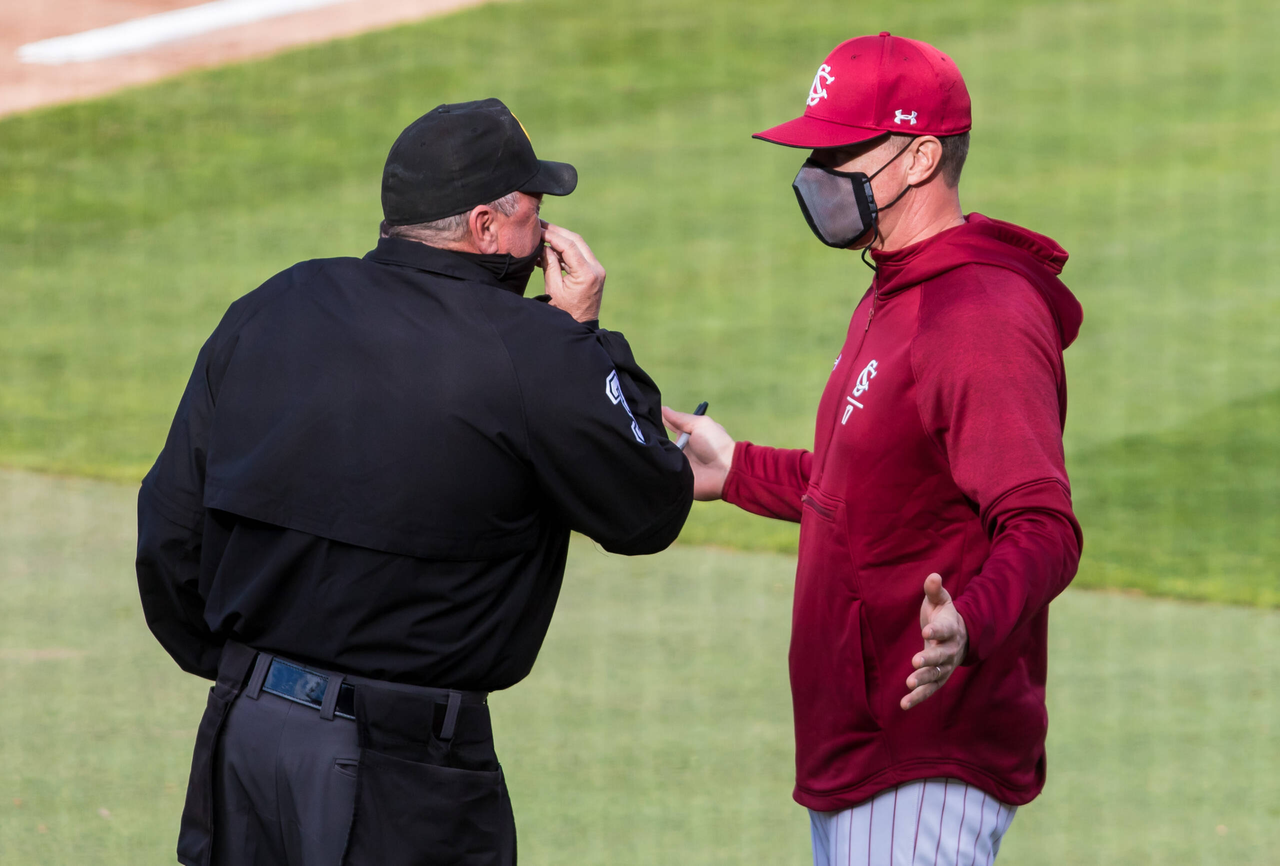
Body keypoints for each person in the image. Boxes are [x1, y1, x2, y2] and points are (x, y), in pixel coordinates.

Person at [136, 97, 693, 866]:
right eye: (535, 212)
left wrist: (256, 677)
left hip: (245, 741)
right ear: (486, 227)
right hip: (400, 773)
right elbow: (648, 510)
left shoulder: (273, 304)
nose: (545, 238)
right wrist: (581, 338)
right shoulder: (535, 350)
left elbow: (168, 532)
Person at [664, 33, 1084, 865]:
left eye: (844, 148)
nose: (820, 169)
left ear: (922, 155)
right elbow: (877, 487)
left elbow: (1044, 524)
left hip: (921, 747)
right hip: (862, 748)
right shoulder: (895, 284)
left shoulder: (977, 315)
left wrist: (970, 621)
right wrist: (738, 468)